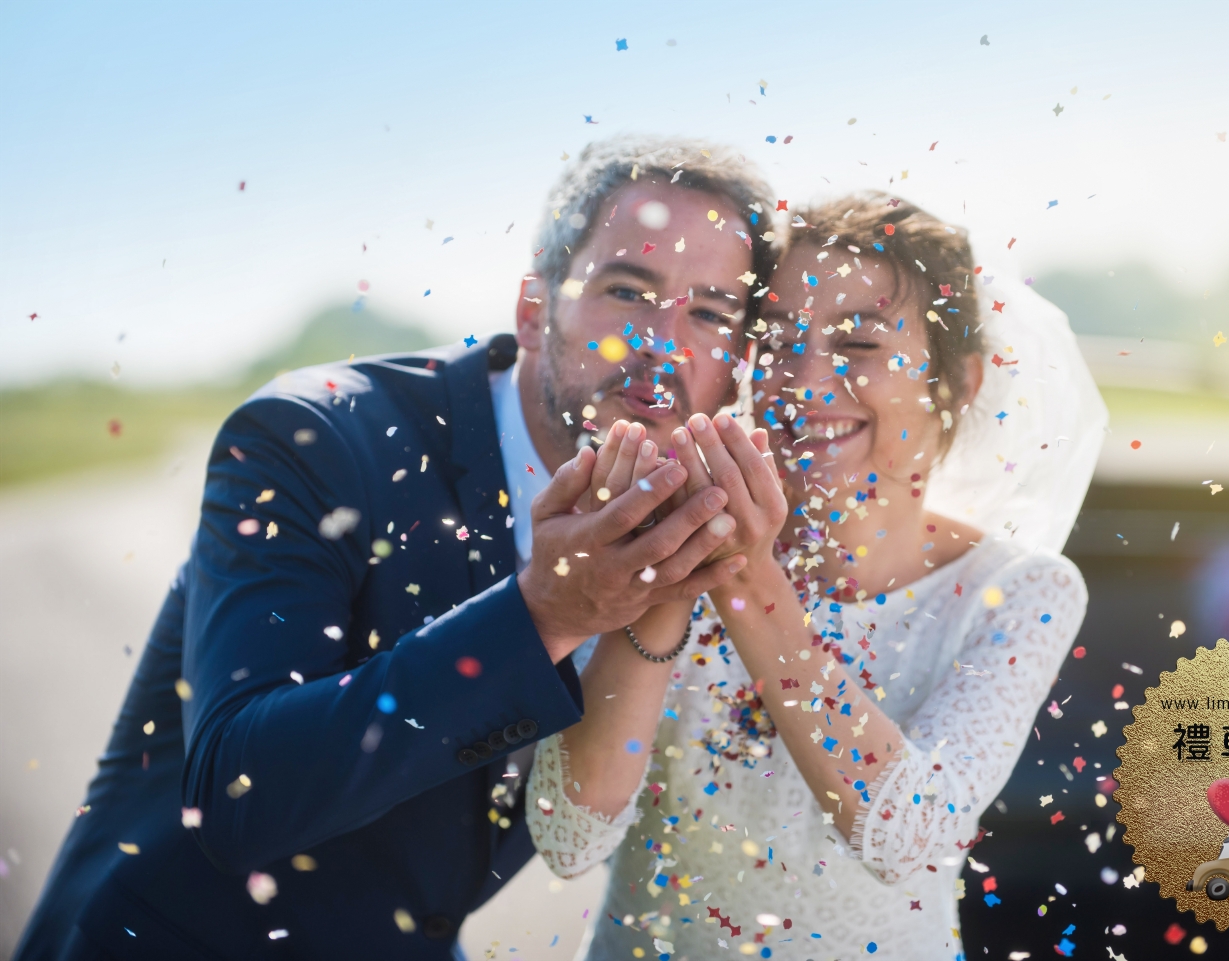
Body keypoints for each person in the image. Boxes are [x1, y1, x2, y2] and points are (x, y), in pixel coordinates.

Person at [16, 136, 777, 961]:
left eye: (710, 311)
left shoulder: (708, 520)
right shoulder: (316, 436)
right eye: (628, 289)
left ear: (739, 361)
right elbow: (241, 793)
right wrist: (545, 613)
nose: (664, 341)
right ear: (534, 309)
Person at [525, 193, 1107, 959]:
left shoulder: (1024, 592)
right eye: (781, 343)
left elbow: (909, 833)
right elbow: (570, 835)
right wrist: (677, 568)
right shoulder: (677, 534)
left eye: (859, 344)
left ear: (960, 380)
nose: (806, 381)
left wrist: (743, 576)